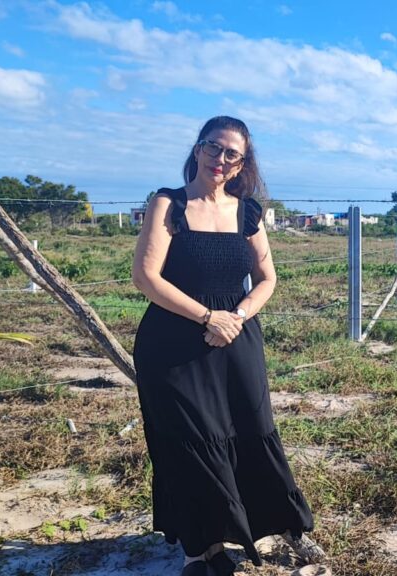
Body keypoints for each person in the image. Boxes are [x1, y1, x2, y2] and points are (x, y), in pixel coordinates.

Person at [132, 116, 324, 576]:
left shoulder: (248, 212)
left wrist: (235, 317)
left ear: (242, 163)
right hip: (174, 344)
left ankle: (284, 524)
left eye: (231, 153)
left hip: (236, 336)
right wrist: (207, 316)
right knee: (191, 442)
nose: (220, 159)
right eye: (213, 147)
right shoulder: (168, 203)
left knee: (254, 428)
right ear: (198, 150)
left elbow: (267, 278)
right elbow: (146, 277)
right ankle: (201, 548)